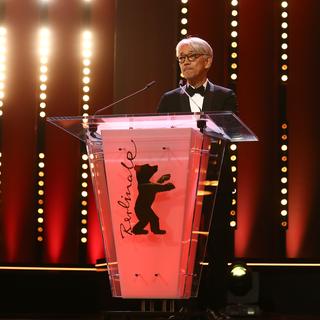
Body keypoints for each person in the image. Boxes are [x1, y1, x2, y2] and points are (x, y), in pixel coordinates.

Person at [157, 37, 237, 320]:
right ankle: (184, 304)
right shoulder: (169, 99)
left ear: (208, 60)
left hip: (215, 180)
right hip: (179, 181)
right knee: (181, 243)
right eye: (181, 58)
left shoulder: (225, 95)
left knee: (215, 242)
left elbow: (226, 132)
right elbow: (160, 138)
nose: (186, 62)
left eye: (191, 56)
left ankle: (215, 304)